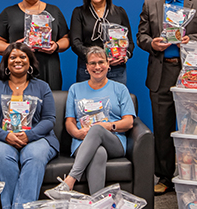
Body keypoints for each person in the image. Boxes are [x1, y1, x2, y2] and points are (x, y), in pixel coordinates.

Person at [136, 0, 197, 195]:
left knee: (194, 127)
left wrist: (191, 40)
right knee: (162, 127)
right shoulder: (150, 2)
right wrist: (151, 43)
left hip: (191, 74)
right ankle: (164, 177)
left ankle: (193, 175)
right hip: (161, 72)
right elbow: (141, 35)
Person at [0, 42, 58, 209]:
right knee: (0, 154)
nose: (18, 60)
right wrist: (5, 135)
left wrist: (29, 135)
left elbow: (49, 119)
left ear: (30, 61)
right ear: (6, 62)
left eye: (23, 57)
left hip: (37, 138)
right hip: (1, 138)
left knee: (35, 155)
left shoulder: (42, 87)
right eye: (13, 57)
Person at [51, 47, 136, 195]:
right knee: (99, 153)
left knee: (97, 129)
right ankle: (97, 202)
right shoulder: (75, 89)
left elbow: (128, 122)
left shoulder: (120, 89)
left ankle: (70, 180)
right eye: (93, 63)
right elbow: (69, 121)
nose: (97, 67)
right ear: (87, 66)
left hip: (114, 141)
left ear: (108, 64)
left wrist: (107, 126)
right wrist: (77, 133)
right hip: (82, 141)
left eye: (101, 62)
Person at [0, 0, 69, 90]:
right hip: (18, 68)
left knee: (50, 99)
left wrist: (56, 46)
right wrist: (14, 47)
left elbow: (66, 38)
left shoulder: (53, 11)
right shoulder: (9, 13)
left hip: (48, 67)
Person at [69, 0, 134, 84]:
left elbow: (130, 43)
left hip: (116, 70)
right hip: (89, 69)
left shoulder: (119, 12)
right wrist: (97, 58)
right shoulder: (79, 12)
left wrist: (124, 56)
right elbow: (75, 43)